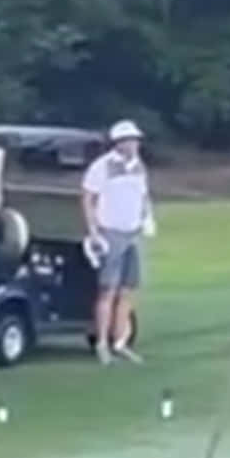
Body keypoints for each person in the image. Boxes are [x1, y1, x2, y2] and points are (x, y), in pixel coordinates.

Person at [81, 118, 156, 364]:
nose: (135, 144)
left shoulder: (138, 166)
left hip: (133, 232)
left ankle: (120, 342)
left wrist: (147, 218)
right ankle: (102, 343)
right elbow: (88, 199)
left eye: (136, 140)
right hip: (110, 233)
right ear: (118, 143)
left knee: (128, 291)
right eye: (130, 140)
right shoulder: (101, 167)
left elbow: (143, 196)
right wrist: (93, 231)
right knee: (107, 290)